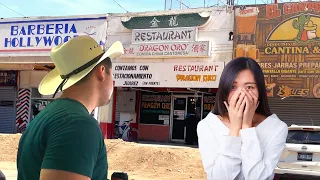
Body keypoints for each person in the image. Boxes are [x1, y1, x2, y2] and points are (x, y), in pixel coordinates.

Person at [17, 36, 124, 180]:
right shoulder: (78, 124)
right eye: (112, 74)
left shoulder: (47, 116)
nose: (113, 81)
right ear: (101, 71)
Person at [197, 57, 288, 180]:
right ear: (224, 90)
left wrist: (247, 127)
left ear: (260, 91)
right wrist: (235, 129)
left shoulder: (276, 128)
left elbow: (258, 177)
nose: (241, 94)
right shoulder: (207, 125)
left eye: (249, 87)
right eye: (233, 87)